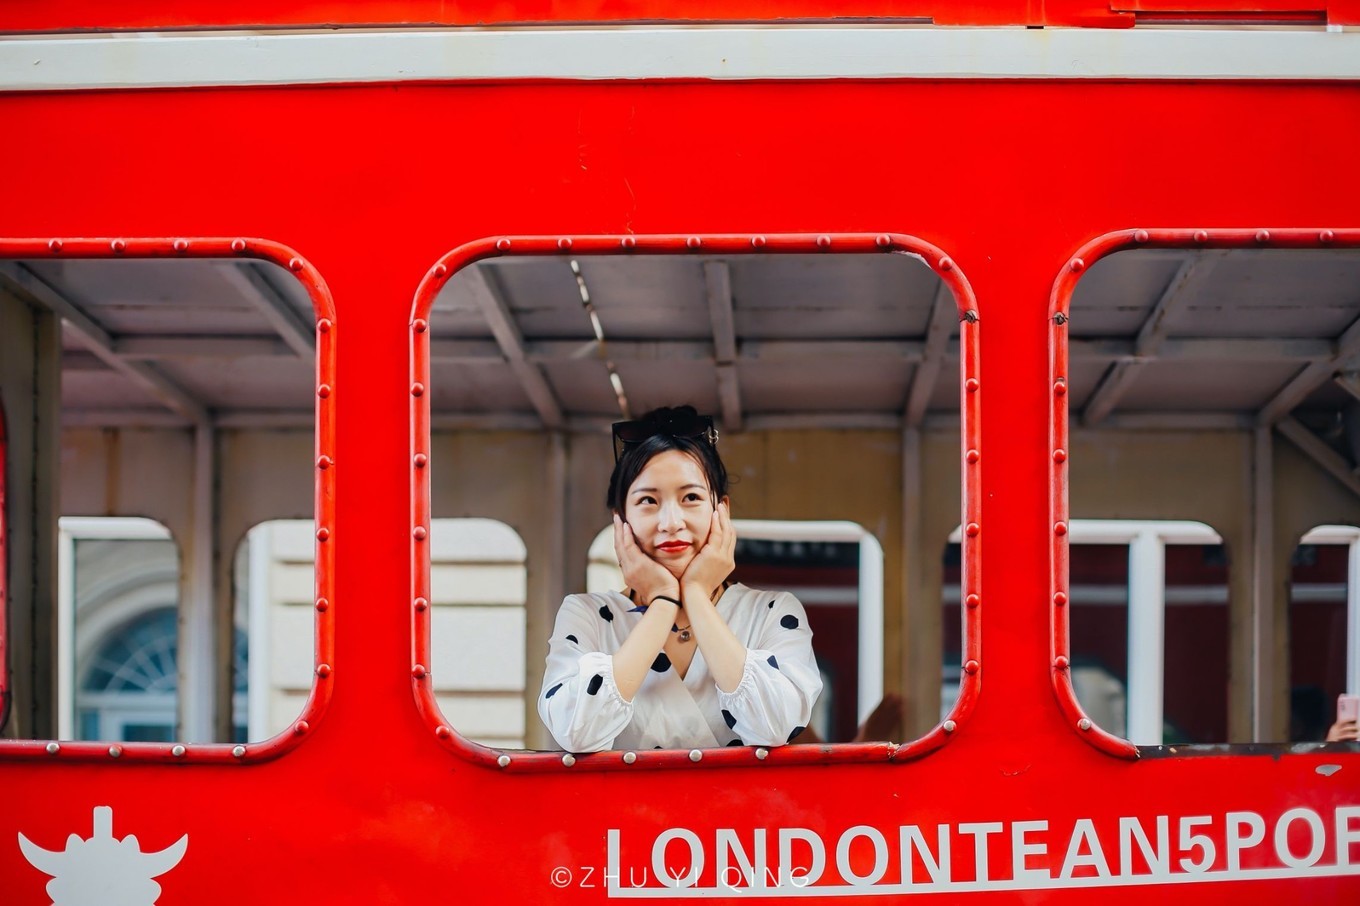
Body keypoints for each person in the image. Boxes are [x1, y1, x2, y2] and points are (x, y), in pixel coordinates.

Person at [538, 406, 822, 752]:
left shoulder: (771, 612)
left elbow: (776, 725)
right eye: (648, 500)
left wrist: (697, 597)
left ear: (722, 510)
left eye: (690, 498)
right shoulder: (586, 615)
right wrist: (661, 603)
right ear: (620, 520)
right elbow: (574, 731)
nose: (671, 522)